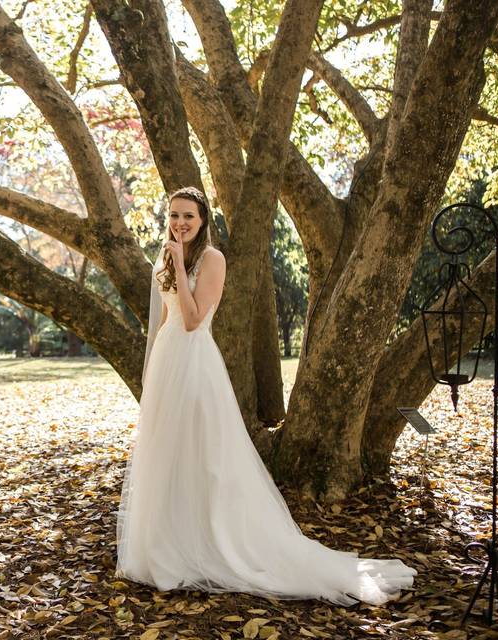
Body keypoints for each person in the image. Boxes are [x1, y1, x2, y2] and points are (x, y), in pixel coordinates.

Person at [115, 186, 416, 605]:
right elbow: (165, 320)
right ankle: (165, 546)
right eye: (174, 215)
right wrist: (153, 372)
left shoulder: (211, 259)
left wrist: (182, 268)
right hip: (169, 364)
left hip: (196, 363)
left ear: (203, 220)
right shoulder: (165, 259)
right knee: (166, 452)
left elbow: (191, 321)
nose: (180, 223)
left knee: (204, 457)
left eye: (188, 216)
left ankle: (209, 543)